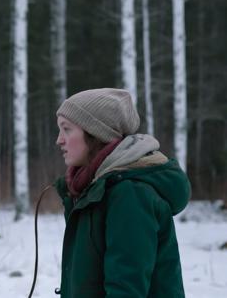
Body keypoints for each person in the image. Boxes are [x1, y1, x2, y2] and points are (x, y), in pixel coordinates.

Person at [54, 88, 191, 297]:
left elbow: (126, 289)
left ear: (96, 133)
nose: (59, 140)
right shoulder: (92, 190)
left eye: (67, 129)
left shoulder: (130, 194)